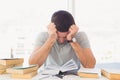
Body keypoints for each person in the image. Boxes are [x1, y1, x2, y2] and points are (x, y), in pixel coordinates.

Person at [29, 10, 96, 70]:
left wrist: (71, 40)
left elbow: (90, 65)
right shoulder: (44, 36)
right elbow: (32, 65)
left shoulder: (79, 36)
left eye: (65, 37)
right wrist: (51, 38)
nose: (61, 41)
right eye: (58, 37)